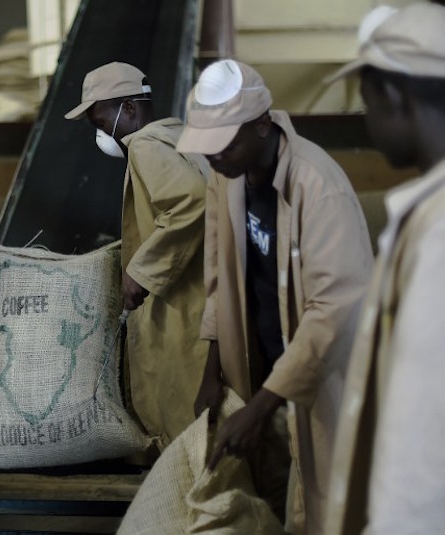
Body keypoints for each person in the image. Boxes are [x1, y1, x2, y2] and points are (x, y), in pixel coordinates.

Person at [178, 59, 373, 533]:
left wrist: (261, 407)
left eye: (222, 143)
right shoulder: (225, 178)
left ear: (262, 125)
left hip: (317, 383)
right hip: (260, 378)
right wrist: (214, 371)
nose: (212, 157)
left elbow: (332, 314)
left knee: (327, 505)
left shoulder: (318, 189)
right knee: (271, 499)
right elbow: (220, 278)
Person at [324, 4, 445, 533]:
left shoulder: (438, 233)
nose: (367, 120)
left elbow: (421, 437)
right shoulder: (426, 211)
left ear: (394, 94)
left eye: (366, 101)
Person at [64, 62, 209, 449]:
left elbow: (191, 201)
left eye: (100, 120)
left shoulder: (145, 145)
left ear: (129, 108)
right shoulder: (181, 137)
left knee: (178, 419)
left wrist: (142, 272)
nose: (100, 133)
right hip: (199, 300)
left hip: (178, 306)